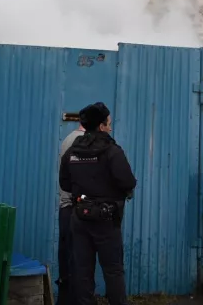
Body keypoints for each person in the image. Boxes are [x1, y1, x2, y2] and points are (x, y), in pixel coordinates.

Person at [59, 102, 137, 305]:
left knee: (82, 270)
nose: (110, 127)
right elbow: (128, 181)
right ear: (101, 126)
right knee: (113, 270)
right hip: (105, 219)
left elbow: (64, 183)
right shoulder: (112, 151)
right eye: (108, 123)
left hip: (80, 217)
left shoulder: (73, 151)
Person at [56, 122, 85, 305]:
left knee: (66, 258)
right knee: (78, 260)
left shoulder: (67, 139)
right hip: (75, 208)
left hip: (65, 208)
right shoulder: (81, 141)